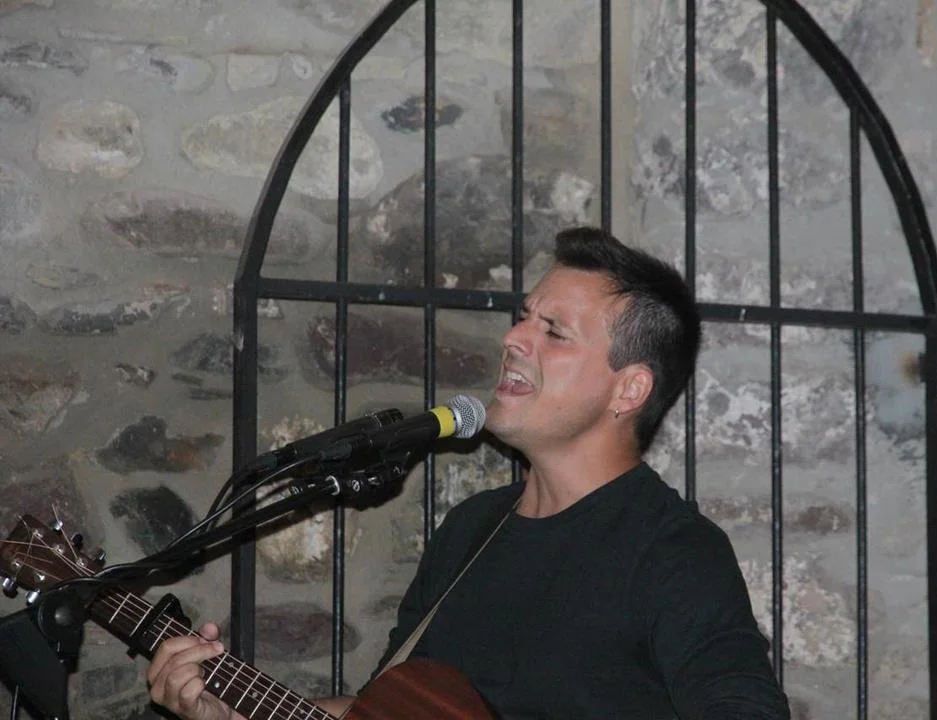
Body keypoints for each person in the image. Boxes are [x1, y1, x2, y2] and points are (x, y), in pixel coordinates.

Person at [147, 226, 790, 719]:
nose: (514, 338)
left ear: (629, 390)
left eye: (554, 331)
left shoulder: (673, 552)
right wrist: (231, 712)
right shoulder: (471, 530)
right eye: (524, 316)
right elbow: (380, 711)